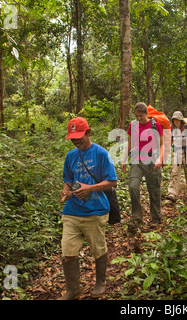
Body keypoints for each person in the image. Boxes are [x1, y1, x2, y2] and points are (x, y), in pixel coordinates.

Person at [59, 117, 118, 300]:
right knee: (67, 251)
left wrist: (89, 188)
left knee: (98, 249)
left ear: (88, 133)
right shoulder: (71, 156)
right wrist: (66, 192)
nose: (76, 141)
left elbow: (112, 180)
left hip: (95, 210)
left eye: (79, 137)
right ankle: (73, 289)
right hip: (72, 211)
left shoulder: (101, 153)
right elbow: (67, 181)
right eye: (73, 138)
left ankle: (100, 282)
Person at [121, 102, 164, 235]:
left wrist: (159, 159)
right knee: (133, 186)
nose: (138, 118)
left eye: (141, 116)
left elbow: (162, 145)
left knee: (154, 189)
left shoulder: (155, 125)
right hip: (137, 160)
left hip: (152, 160)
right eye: (136, 116)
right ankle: (136, 216)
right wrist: (123, 159)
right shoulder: (133, 125)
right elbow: (130, 143)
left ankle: (156, 217)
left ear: (146, 114)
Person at [166, 111, 187, 203]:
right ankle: (172, 194)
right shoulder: (172, 129)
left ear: (181, 120)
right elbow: (170, 141)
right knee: (175, 173)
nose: (176, 121)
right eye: (174, 119)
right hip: (177, 152)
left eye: (177, 119)